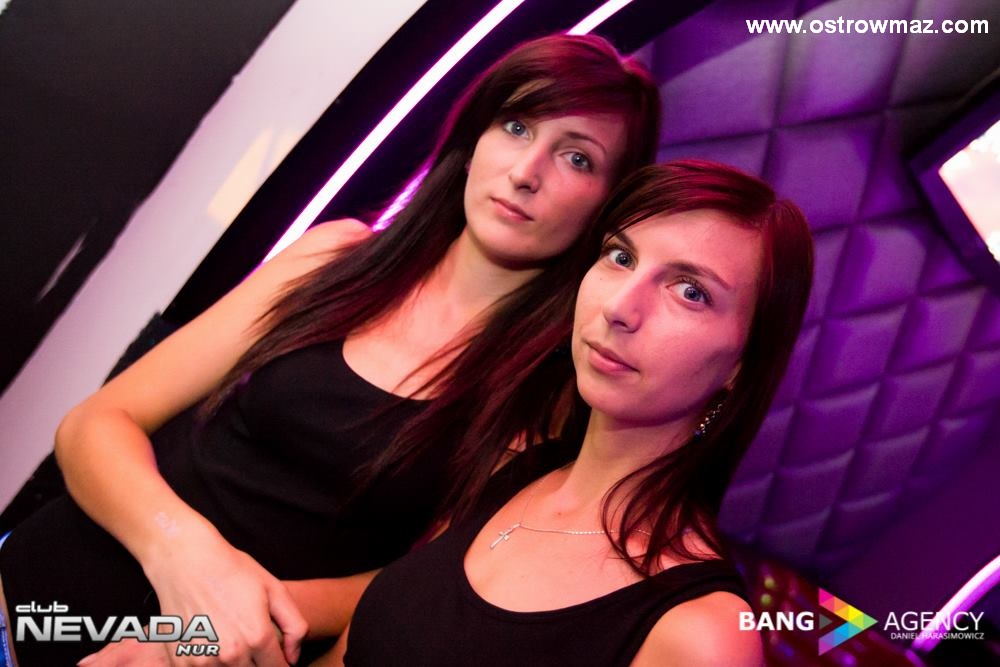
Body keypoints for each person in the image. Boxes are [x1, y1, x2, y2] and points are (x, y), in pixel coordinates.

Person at [0, 35, 661, 666]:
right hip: (28, 596)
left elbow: (405, 584)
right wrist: (184, 552)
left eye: (577, 158)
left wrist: (202, 629)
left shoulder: (546, 392)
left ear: (607, 206)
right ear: (475, 139)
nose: (525, 172)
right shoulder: (335, 257)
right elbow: (95, 423)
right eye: (516, 126)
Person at [335, 159, 815, 666]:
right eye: (620, 256)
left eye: (690, 292)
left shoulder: (702, 636)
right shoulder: (517, 469)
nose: (620, 307)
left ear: (742, 364)